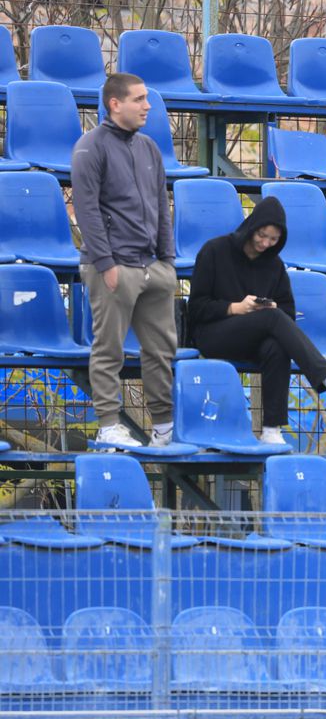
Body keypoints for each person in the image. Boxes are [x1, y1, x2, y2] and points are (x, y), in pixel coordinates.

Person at [187, 196, 326, 445]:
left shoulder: (275, 265)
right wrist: (236, 308)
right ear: (252, 226)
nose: (265, 243)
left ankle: (272, 429)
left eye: (273, 239)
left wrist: (273, 308)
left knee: (277, 346)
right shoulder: (214, 250)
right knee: (270, 318)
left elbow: (286, 314)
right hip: (212, 334)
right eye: (262, 235)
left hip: (252, 339)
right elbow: (196, 308)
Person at [72, 73, 178, 449]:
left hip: (153, 267)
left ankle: (163, 428)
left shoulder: (149, 148)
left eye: (147, 98)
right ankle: (108, 424)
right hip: (113, 267)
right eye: (139, 99)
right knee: (109, 349)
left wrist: (168, 261)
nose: (147, 106)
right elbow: (86, 210)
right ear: (115, 104)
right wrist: (105, 263)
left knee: (161, 351)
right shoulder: (90, 147)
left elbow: (162, 206)